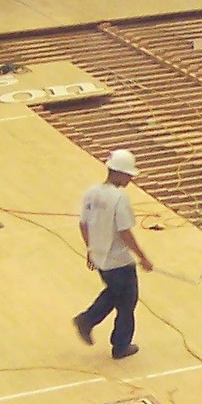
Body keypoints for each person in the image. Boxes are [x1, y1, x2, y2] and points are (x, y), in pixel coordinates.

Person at [74, 148, 152, 358]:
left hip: (101, 259)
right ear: (118, 173)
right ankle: (118, 344)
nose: (129, 180)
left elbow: (83, 224)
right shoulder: (119, 198)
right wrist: (142, 256)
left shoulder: (92, 192)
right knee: (127, 302)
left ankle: (88, 320)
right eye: (128, 175)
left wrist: (90, 249)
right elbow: (124, 231)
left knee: (114, 294)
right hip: (119, 260)